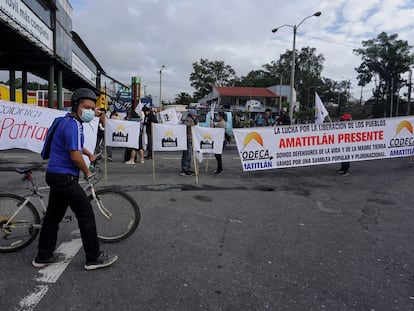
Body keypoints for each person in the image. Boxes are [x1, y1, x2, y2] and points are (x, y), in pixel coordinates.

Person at [33, 88, 117, 270]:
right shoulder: (72, 125)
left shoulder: (70, 121)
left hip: (56, 175)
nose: (89, 110)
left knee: (53, 217)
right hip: (64, 177)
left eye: (92, 108)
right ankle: (93, 258)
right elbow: (74, 156)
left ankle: (43, 255)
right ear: (76, 106)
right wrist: (87, 171)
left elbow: (77, 147)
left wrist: (90, 155)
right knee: (85, 213)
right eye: (86, 107)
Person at [180, 108, 198, 176]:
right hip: (187, 139)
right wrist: (191, 125)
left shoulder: (193, 120)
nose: (195, 116)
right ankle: (184, 169)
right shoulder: (188, 120)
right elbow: (185, 126)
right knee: (187, 155)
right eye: (194, 115)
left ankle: (188, 168)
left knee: (189, 155)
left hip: (191, 139)